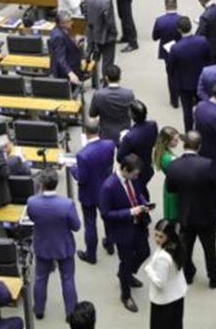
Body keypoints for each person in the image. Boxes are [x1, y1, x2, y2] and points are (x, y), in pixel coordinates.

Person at [165, 131, 216, 287]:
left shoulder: (174, 166)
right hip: (206, 214)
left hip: (185, 214)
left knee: (186, 247)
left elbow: (171, 189)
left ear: (184, 144)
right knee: (209, 248)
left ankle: (187, 274)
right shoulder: (208, 164)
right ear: (199, 146)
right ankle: (214, 276)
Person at [98, 153, 154, 313]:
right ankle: (126, 295)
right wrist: (130, 212)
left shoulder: (133, 179)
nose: (136, 176)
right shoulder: (109, 187)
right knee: (126, 261)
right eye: (134, 173)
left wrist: (144, 204)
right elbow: (106, 214)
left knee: (145, 252)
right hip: (122, 230)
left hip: (139, 225)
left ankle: (126, 274)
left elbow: (138, 194)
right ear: (124, 169)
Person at [26, 168, 80, 320]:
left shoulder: (32, 202)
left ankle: (39, 310)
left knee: (40, 279)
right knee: (68, 278)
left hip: (43, 245)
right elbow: (76, 226)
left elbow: (32, 218)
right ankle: (70, 313)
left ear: (41, 184)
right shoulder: (67, 204)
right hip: (64, 246)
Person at [71, 119, 116, 264]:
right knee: (107, 218)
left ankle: (91, 255)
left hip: (89, 192)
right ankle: (110, 244)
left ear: (85, 132)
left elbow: (81, 178)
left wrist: (73, 169)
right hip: (106, 189)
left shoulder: (82, 155)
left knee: (90, 223)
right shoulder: (110, 145)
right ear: (99, 130)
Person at [170, 16, 215, 131]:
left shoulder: (175, 48)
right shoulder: (203, 41)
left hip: (184, 84)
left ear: (179, 30)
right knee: (203, 108)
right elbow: (209, 59)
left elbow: (171, 68)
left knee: (187, 110)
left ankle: (189, 133)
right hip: (201, 81)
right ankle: (203, 130)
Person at [144, 219, 188, 329]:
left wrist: (149, 270)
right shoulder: (176, 246)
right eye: (156, 235)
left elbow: (160, 283)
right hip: (177, 294)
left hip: (164, 301)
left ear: (168, 236)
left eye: (161, 236)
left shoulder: (163, 258)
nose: (157, 239)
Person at [152, 0, 184, 107]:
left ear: (165, 6)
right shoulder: (182, 19)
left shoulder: (160, 20)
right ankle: (182, 94)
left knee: (171, 75)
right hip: (181, 49)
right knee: (181, 72)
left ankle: (174, 100)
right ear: (176, 5)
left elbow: (155, 37)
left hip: (167, 51)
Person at [119, 101, 160, 187]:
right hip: (147, 165)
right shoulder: (153, 125)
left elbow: (120, 158)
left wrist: (122, 142)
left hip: (135, 171)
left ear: (131, 115)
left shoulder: (129, 138)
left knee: (139, 192)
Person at [84, 0, 118, 79]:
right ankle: (105, 82)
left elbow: (86, 14)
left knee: (95, 58)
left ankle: (95, 81)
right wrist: (114, 32)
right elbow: (109, 21)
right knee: (107, 61)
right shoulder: (106, 1)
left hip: (92, 33)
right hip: (106, 36)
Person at [89, 64, 135, 141]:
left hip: (106, 134)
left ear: (106, 78)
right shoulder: (129, 94)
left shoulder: (98, 95)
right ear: (120, 78)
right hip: (125, 133)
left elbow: (92, 114)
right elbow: (132, 113)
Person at [154, 126, 183, 222]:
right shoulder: (168, 158)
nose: (177, 142)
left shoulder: (162, 152)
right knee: (174, 214)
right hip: (174, 187)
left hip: (170, 184)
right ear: (167, 141)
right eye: (175, 140)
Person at [48, 13, 84, 86]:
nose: (72, 23)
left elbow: (65, 43)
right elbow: (60, 59)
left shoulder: (59, 30)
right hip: (65, 73)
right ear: (62, 24)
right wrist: (70, 73)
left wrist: (74, 42)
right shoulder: (58, 37)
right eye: (69, 21)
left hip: (71, 66)